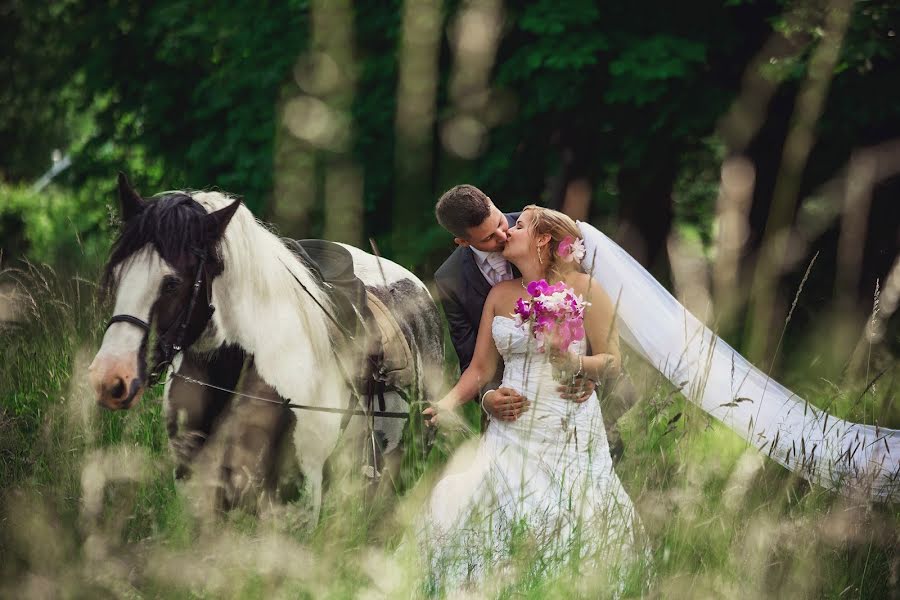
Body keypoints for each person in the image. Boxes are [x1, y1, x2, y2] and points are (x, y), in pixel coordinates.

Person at [420, 206, 642, 587]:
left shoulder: (585, 289)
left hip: (566, 421)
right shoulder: (499, 294)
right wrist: (447, 402)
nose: (508, 232)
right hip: (511, 427)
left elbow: (612, 362)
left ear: (542, 239)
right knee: (477, 501)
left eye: (518, 226)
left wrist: (575, 363)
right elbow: (480, 368)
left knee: (573, 511)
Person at [433, 184, 635, 455]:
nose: (504, 234)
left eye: (503, 224)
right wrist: (483, 399)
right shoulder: (460, 281)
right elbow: (476, 362)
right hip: (514, 419)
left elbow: (604, 345)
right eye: (489, 238)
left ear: (492, 202)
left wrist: (585, 372)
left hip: (573, 403)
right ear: (464, 242)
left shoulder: (544, 229)